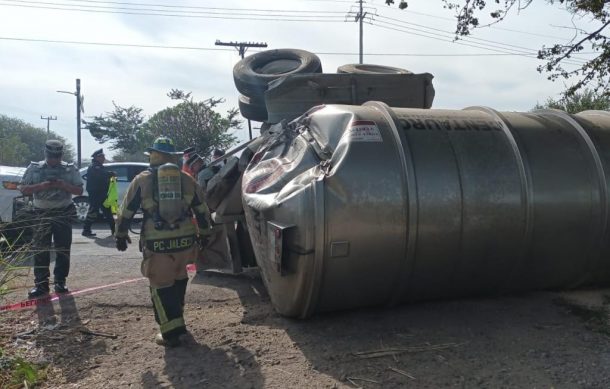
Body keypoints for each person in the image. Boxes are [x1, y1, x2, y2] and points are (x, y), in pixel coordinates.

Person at [114, 136, 213, 347]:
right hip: (186, 242)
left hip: (157, 244)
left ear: (153, 155)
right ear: (173, 157)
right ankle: (179, 325)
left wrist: (120, 235)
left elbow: (126, 212)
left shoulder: (141, 179)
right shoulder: (187, 179)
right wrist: (204, 234)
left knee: (160, 285)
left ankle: (170, 334)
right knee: (179, 278)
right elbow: (203, 211)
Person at [18, 140, 84, 298]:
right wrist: (42, 186)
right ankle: (41, 285)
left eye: (57, 156)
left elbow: (79, 190)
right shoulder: (34, 168)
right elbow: (22, 189)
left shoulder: (69, 169)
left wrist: (63, 185)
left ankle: (60, 282)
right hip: (41, 212)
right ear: (45, 154)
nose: (54, 159)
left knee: (62, 249)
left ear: (61, 155)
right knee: (40, 249)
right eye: (51, 156)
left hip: (63, 211)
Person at [82, 149, 115, 237]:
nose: (104, 158)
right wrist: (109, 174)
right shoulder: (95, 166)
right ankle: (86, 230)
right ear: (97, 157)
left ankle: (114, 230)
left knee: (106, 211)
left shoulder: (99, 166)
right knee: (94, 211)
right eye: (102, 156)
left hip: (101, 193)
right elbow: (100, 175)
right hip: (97, 193)